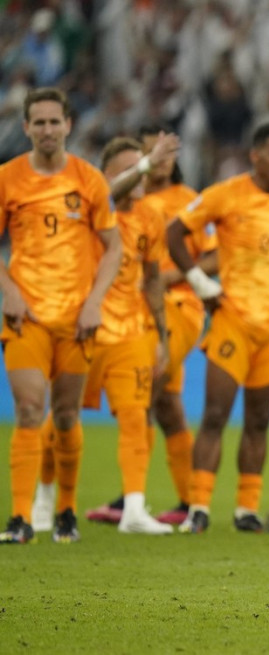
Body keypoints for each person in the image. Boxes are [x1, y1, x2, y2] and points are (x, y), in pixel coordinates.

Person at [166, 122, 269, 534]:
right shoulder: (225, 195)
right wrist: (199, 282)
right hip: (232, 320)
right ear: (255, 155)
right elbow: (175, 233)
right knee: (215, 415)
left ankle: (246, 509)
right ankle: (198, 507)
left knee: (258, 421)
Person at [0, 88, 122, 544]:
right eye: (39, 122)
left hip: (76, 320)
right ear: (27, 127)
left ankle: (67, 510)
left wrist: (94, 302)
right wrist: (9, 292)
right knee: (30, 410)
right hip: (25, 317)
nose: (48, 130)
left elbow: (114, 247)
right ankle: (19, 518)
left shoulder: (89, 180)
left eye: (55, 121)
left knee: (67, 416)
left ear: (69, 125)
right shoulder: (7, 178)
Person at [35, 138, 174, 535]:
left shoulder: (151, 217)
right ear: (109, 177)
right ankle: (44, 499)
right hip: (84, 328)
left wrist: (161, 335)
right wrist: (146, 164)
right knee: (61, 419)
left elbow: (151, 280)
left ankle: (133, 508)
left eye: (143, 165)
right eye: (132, 167)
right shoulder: (90, 209)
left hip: (130, 333)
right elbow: (105, 193)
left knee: (135, 418)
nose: (142, 174)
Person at [84, 123, 210, 526]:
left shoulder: (189, 201)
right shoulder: (125, 202)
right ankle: (188, 502)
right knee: (167, 405)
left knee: (143, 390)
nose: (160, 160)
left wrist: (174, 277)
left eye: (167, 152)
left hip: (177, 306)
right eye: (151, 152)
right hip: (128, 313)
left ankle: (131, 500)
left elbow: (215, 256)